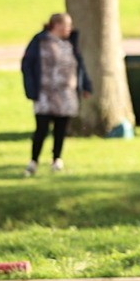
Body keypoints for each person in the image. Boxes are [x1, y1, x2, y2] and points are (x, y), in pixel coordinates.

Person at [21, 13, 92, 175]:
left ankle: (57, 159)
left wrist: (85, 86)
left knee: (61, 128)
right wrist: (30, 88)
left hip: (66, 94)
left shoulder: (70, 42)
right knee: (42, 128)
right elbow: (27, 64)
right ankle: (34, 161)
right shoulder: (40, 41)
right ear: (56, 25)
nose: (70, 29)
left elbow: (79, 65)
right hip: (45, 94)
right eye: (67, 25)